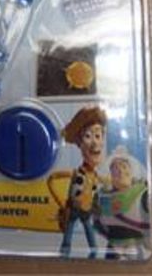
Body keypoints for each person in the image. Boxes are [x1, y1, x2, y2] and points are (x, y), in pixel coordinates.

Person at [47, 106, 108, 258]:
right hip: (74, 209)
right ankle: (66, 252)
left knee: (87, 230)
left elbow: (95, 188)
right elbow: (52, 180)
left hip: (86, 209)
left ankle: (92, 251)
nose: (95, 143)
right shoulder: (77, 174)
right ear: (79, 143)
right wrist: (63, 204)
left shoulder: (94, 175)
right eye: (88, 136)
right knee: (70, 231)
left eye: (98, 136)